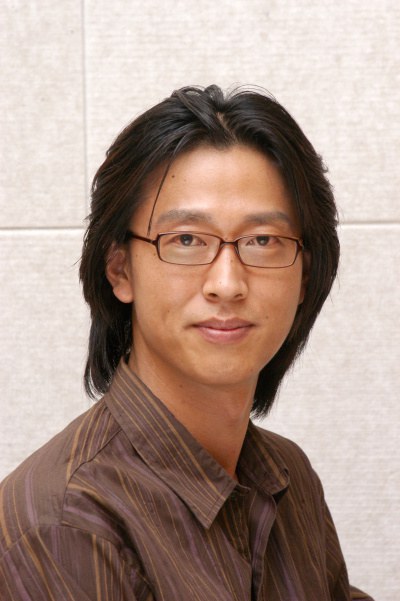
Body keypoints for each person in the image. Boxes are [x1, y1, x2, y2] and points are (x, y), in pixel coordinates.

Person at [0, 85, 374, 600]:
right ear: (120, 268)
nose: (227, 283)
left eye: (262, 241)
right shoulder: (65, 524)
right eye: (186, 240)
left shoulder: (291, 479)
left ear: (305, 274)